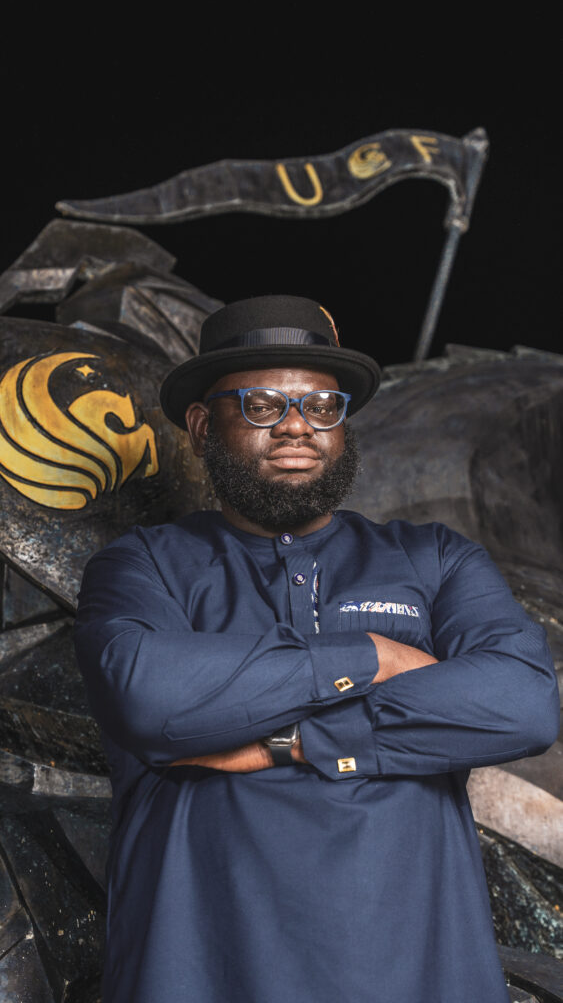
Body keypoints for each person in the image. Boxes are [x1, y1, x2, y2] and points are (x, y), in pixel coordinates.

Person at [74, 295, 559, 1003]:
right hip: (198, 969)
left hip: (413, 971)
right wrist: (370, 656)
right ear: (204, 426)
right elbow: (146, 696)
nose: (297, 425)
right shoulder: (142, 564)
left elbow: (521, 705)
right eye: (263, 404)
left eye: (321, 405)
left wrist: (292, 741)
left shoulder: (433, 559)